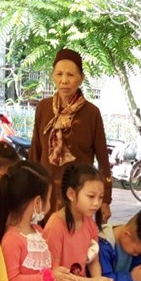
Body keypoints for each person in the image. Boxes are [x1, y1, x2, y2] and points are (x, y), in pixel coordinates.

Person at [30, 48, 113, 221]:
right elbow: (35, 151)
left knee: (76, 232)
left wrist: (105, 200)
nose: (64, 80)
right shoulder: (43, 108)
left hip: (79, 193)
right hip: (47, 192)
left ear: (81, 79)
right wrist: (29, 190)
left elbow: (103, 158)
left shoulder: (91, 113)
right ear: (53, 76)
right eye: (59, 74)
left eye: (71, 75)